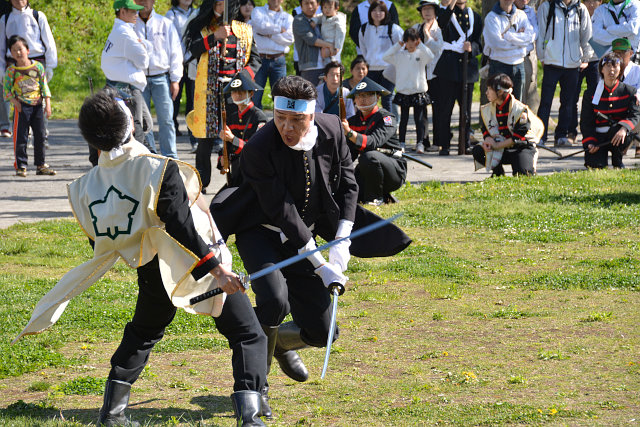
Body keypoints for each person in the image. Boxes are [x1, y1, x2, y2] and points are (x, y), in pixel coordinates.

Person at [14, 88, 267, 426]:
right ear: (130, 124)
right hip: (196, 265)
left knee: (143, 333)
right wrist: (218, 270)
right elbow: (183, 230)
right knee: (248, 334)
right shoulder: (156, 169)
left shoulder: (86, 186)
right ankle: (249, 417)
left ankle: (113, 412)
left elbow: (100, 241)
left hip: (150, 269)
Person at [185, 0, 260, 193]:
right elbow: (192, 50)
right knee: (205, 137)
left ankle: (236, 177)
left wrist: (243, 79)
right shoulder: (201, 27)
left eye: (223, 3)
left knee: (233, 134)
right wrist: (214, 37)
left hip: (234, 89)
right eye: (217, 3)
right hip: (208, 89)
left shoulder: (244, 30)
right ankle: (202, 182)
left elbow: (255, 60)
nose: (220, 6)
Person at [536, 0, 593, 147]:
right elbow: (541, 33)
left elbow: (587, 36)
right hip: (551, 62)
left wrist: (586, 58)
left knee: (568, 102)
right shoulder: (547, 7)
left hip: (573, 63)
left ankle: (561, 135)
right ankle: (540, 136)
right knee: (546, 102)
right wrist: (542, 56)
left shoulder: (581, 9)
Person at [342, 76, 406, 205]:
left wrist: (349, 133)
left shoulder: (386, 118)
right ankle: (379, 194)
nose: (362, 99)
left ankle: (375, 198)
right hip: (368, 168)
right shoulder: (353, 121)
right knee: (348, 190)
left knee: (369, 156)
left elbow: (372, 142)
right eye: (359, 96)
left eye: (367, 95)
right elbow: (349, 155)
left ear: (377, 97)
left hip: (393, 169)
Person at [0, 0, 57, 141]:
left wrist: (50, 66)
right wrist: (1, 69)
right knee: (7, 93)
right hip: (13, 62)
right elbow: (1, 46)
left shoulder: (38, 16)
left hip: (36, 61)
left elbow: (49, 42)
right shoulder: (5, 19)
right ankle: (5, 125)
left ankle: (40, 127)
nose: (19, 1)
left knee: (37, 95)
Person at [101, 0, 154, 153]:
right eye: (132, 11)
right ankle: (140, 161)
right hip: (127, 89)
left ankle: (147, 158)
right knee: (137, 128)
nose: (136, 14)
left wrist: (142, 46)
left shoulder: (121, 30)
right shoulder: (124, 33)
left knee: (143, 126)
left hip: (121, 87)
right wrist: (143, 47)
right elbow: (143, 61)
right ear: (122, 12)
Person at [134, 0, 183, 159]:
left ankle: (171, 157)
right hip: (139, 79)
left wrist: (175, 79)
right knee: (142, 122)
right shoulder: (130, 24)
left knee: (166, 120)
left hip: (161, 77)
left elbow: (176, 52)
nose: (143, 3)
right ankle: (150, 156)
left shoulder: (165, 23)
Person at [433, 0, 482, 156]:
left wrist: (472, 48)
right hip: (449, 68)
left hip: (467, 70)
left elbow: (479, 43)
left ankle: (465, 142)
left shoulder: (475, 16)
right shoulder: (446, 13)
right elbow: (441, 23)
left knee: (465, 111)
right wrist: (450, 5)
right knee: (445, 109)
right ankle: (444, 144)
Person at [472, 73, 544, 177]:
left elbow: (518, 136)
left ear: (500, 92)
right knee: (478, 150)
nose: (486, 92)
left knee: (523, 175)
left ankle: (523, 165)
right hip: (501, 147)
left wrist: (497, 145)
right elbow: (485, 128)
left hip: (521, 147)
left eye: (489, 89)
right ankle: (497, 173)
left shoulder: (519, 110)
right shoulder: (487, 109)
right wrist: (488, 139)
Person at [5, 34, 53, 177]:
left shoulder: (38, 67)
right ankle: (21, 166)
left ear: (27, 50)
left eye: (20, 49)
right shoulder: (11, 71)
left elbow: (44, 86)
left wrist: (47, 104)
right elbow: (6, 92)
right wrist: (16, 103)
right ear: (11, 54)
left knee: (40, 136)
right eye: (14, 50)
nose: (18, 53)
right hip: (22, 107)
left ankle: (41, 165)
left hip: (38, 106)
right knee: (21, 138)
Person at [580, 52, 640, 168]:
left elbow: (635, 114)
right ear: (601, 69)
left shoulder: (629, 91)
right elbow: (586, 121)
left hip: (618, 134)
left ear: (620, 70)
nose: (611, 70)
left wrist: (624, 128)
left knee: (620, 133)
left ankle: (617, 159)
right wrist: (590, 142)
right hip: (598, 137)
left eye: (615, 66)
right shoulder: (590, 93)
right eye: (608, 66)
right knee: (595, 165)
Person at [383, 28, 435, 153]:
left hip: (418, 91)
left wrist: (421, 44)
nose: (411, 44)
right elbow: (386, 57)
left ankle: (420, 143)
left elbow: (431, 56)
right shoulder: (399, 56)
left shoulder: (421, 54)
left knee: (419, 119)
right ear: (405, 41)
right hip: (404, 92)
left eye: (413, 41)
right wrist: (398, 45)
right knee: (403, 119)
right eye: (408, 41)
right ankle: (402, 143)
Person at [219, 70, 268, 187]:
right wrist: (222, 158)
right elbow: (227, 146)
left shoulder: (258, 116)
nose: (237, 95)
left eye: (241, 92)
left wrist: (232, 139)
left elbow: (256, 149)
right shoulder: (232, 117)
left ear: (251, 94)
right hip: (236, 171)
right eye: (234, 92)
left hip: (254, 171)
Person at [483, 0, 536, 100]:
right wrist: (520, 42)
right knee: (498, 103)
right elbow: (496, 44)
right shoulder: (491, 17)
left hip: (519, 65)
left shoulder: (521, 15)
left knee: (517, 105)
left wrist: (508, 36)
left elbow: (530, 37)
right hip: (499, 65)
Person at [357, 0, 403, 115]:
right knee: (371, 99)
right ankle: (373, 126)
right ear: (370, 12)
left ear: (386, 12)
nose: (378, 13)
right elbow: (363, 48)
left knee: (386, 99)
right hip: (371, 69)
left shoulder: (393, 29)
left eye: (381, 10)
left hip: (389, 68)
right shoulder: (363, 29)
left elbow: (401, 48)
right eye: (374, 10)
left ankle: (389, 127)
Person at [412, 0, 444, 153]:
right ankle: (423, 141)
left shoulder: (439, 29)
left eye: (430, 8)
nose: (427, 12)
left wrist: (426, 36)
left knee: (438, 109)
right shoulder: (415, 28)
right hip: (420, 73)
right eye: (424, 9)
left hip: (436, 73)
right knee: (420, 109)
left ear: (435, 11)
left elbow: (438, 49)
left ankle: (438, 141)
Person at [568, 0, 602, 145]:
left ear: (600, 2)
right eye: (586, 1)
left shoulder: (603, 15)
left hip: (596, 60)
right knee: (572, 96)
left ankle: (594, 130)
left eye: (593, 0)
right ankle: (571, 131)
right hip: (578, 60)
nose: (590, 4)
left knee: (595, 97)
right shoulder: (578, 12)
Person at [250, 0, 294, 109]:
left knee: (281, 96)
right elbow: (260, 27)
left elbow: (290, 39)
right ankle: (255, 124)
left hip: (278, 60)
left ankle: (280, 125)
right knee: (255, 96)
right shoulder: (257, 11)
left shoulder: (288, 17)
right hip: (259, 59)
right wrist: (279, 30)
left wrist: (269, 35)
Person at [165, 0, 196, 142]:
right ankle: (174, 126)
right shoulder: (170, 15)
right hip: (177, 63)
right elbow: (171, 40)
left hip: (193, 62)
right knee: (174, 97)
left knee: (193, 98)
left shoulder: (197, 13)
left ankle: (192, 129)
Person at [293, 0, 337, 86]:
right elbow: (311, 39)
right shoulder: (299, 20)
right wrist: (330, 45)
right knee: (310, 96)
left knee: (326, 96)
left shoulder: (323, 18)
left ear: (318, 5)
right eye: (306, 3)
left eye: (312, 3)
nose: (309, 6)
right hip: (310, 66)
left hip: (327, 64)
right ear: (301, 6)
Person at [515, 0, 539, 113]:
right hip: (510, 55)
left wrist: (522, 36)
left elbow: (535, 32)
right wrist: (519, 35)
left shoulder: (530, 11)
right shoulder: (508, 10)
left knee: (524, 92)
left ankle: (522, 121)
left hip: (526, 56)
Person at [313, 0, 347, 65]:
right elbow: (318, 17)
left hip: (333, 43)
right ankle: (328, 68)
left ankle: (332, 67)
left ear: (336, 8)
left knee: (329, 56)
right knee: (324, 56)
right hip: (325, 42)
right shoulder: (324, 16)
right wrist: (314, 21)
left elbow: (341, 33)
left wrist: (337, 47)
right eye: (325, 7)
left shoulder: (338, 19)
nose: (327, 10)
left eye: (330, 8)